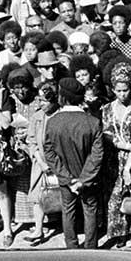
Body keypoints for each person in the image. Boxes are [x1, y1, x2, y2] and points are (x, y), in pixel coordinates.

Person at [42, 78, 105, 248]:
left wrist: (68, 179)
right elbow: (96, 155)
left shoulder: (53, 122)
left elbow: (49, 152)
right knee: (90, 210)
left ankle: (71, 245)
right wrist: (83, 179)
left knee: (67, 210)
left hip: (65, 179)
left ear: (62, 97)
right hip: (88, 179)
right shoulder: (92, 122)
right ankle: (91, 246)